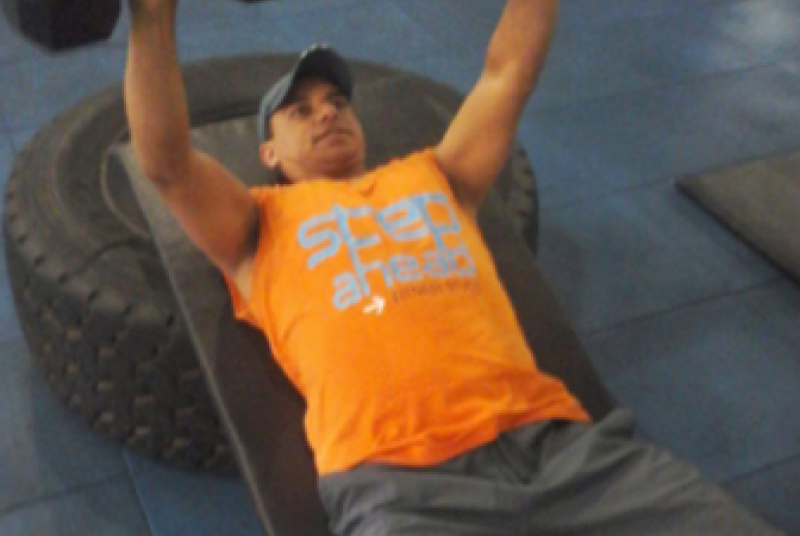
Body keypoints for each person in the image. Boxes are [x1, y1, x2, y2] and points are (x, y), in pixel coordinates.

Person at [124, 1, 783, 535]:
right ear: (268, 151)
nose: (327, 111)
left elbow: (507, 73)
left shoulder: (438, 174)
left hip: (568, 453)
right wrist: (153, 15)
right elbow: (167, 163)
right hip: (404, 490)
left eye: (337, 102)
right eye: (301, 110)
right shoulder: (255, 224)